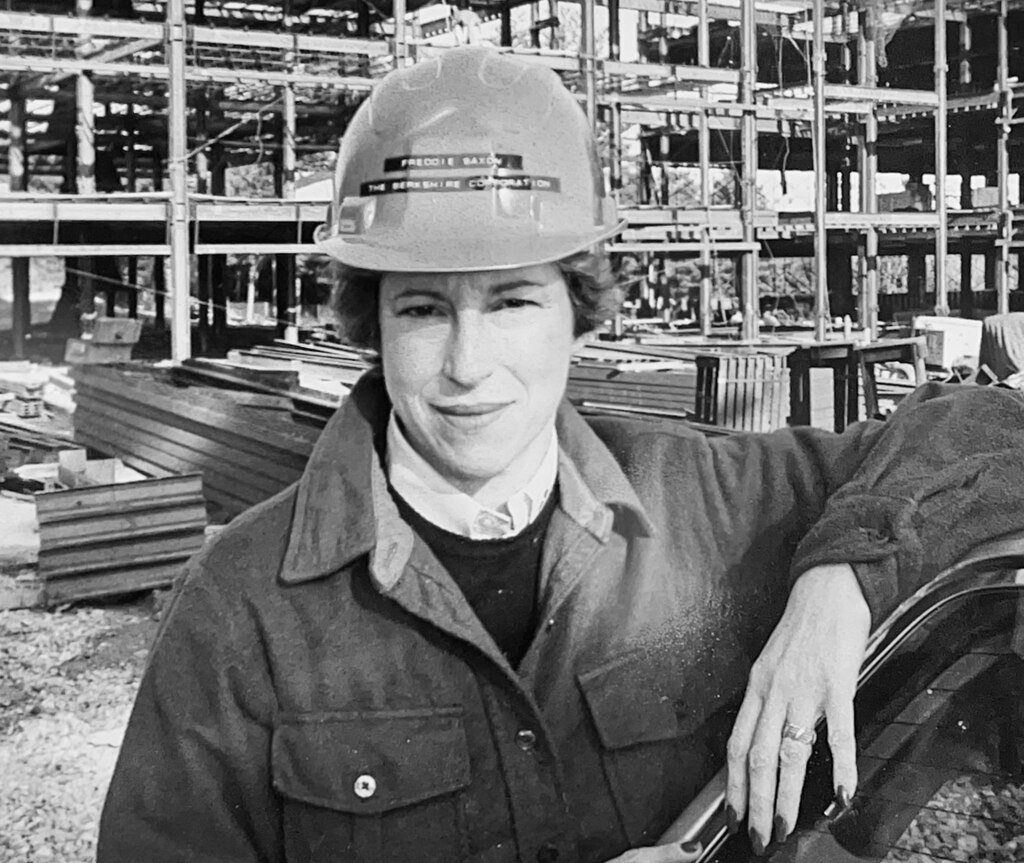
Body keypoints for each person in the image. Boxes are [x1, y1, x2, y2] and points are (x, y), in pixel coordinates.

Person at [97, 47, 1024, 863]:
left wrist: (847, 578)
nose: (467, 366)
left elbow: (992, 427)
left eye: (511, 302)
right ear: (370, 323)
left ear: (579, 311)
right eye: (422, 308)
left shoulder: (709, 505)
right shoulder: (243, 608)